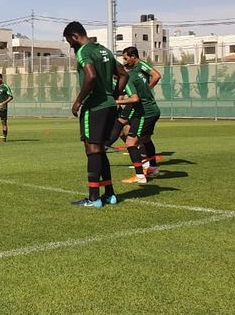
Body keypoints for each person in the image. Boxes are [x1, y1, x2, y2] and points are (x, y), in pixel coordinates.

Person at [63, 21, 128, 208]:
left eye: (69, 41)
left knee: (92, 150)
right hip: (109, 106)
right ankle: (110, 194)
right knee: (100, 149)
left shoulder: (84, 51)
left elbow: (90, 77)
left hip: (94, 107)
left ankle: (93, 198)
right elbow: (123, 74)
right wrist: (114, 95)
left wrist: (78, 101)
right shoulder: (104, 50)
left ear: (75, 36)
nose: (70, 45)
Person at [120, 47, 162, 183]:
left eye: (126, 58)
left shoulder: (135, 71)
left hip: (145, 111)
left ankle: (139, 175)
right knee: (146, 139)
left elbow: (156, 75)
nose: (125, 61)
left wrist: (116, 101)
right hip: (151, 109)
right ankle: (153, 168)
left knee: (131, 142)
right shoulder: (136, 72)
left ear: (133, 56)